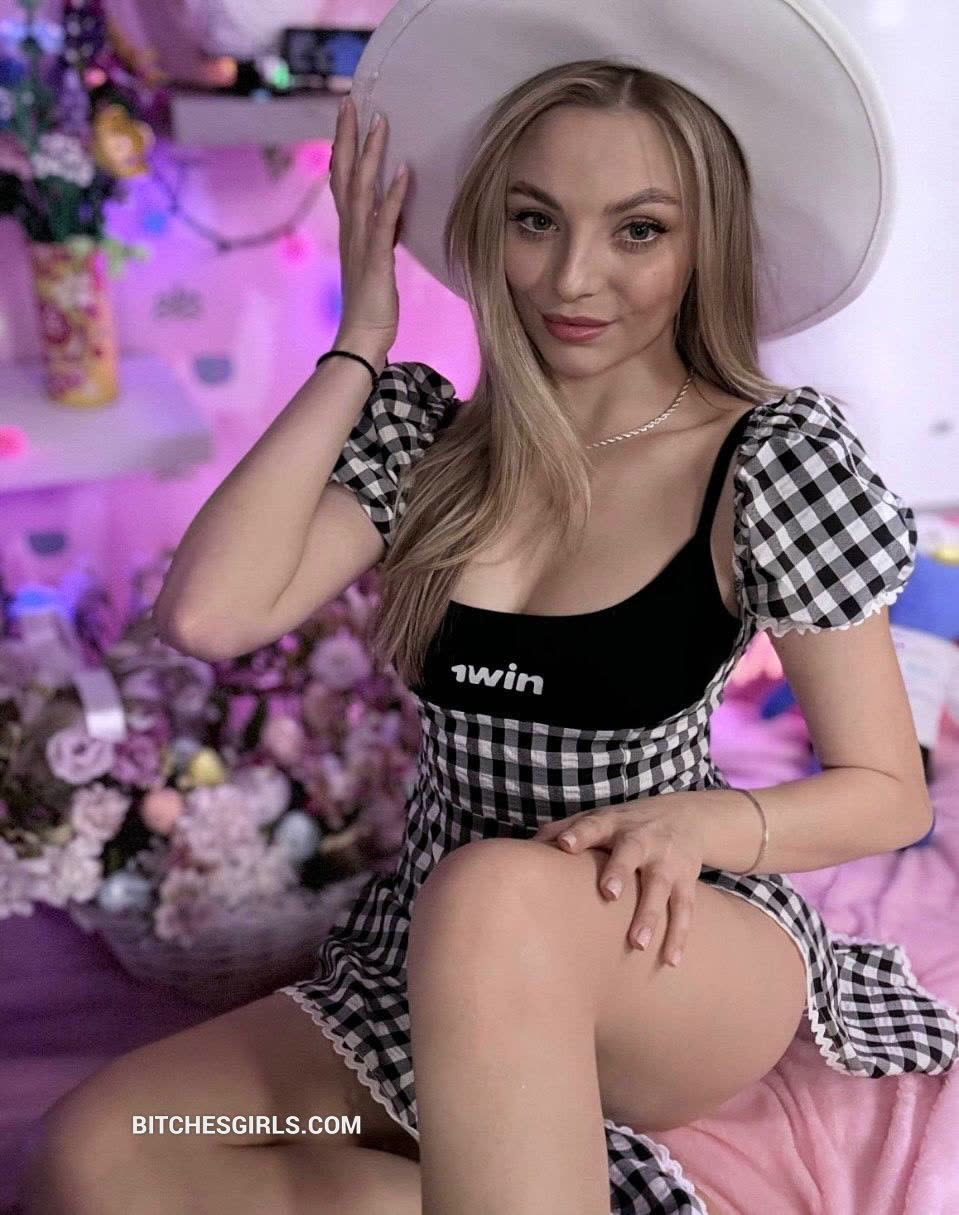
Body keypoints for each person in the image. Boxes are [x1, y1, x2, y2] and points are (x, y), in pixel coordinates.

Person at [23, 4, 959, 1214]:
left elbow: (885, 794)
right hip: (418, 966)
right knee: (107, 1151)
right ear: (489, 226)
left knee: (490, 890)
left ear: (704, 245)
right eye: (534, 220)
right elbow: (206, 616)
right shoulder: (429, 442)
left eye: (637, 230)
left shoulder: (765, 461)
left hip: (667, 950)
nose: (572, 279)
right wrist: (359, 342)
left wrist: (700, 824)